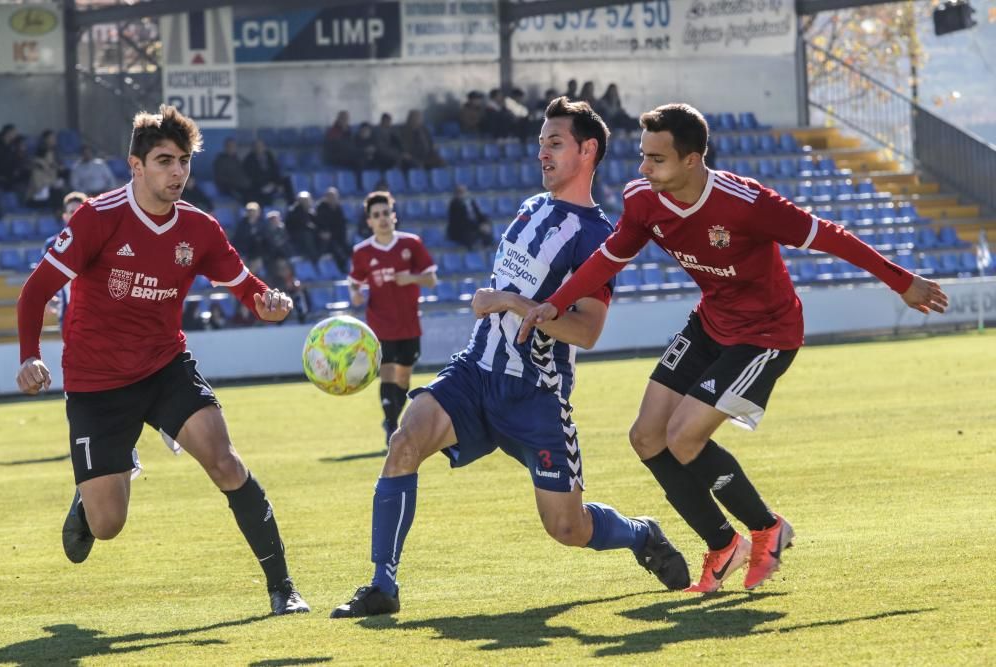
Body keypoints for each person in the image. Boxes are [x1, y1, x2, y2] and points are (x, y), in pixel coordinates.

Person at [518, 102, 949, 593]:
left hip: (766, 333)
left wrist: (901, 281)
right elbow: (610, 257)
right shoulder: (643, 199)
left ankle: (767, 528)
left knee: (682, 437)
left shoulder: (747, 203)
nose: (643, 168)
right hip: (710, 323)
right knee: (645, 437)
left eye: (656, 159)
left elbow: (830, 237)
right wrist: (555, 304)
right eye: (642, 155)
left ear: (691, 159)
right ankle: (724, 546)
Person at [330, 98, 690, 619]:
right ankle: (382, 585)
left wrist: (512, 303)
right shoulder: (531, 207)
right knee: (405, 441)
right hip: (475, 373)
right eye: (541, 141)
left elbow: (587, 330)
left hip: (536, 396)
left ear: (588, 151)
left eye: (555, 142)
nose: (542, 152)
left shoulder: (597, 237)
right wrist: (499, 301)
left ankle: (641, 534)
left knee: (569, 528)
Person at [14, 104, 310, 616]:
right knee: (108, 526)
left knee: (225, 462)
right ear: (136, 165)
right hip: (97, 383)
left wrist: (268, 302)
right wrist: (29, 357)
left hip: (164, 367)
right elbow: (34, 293)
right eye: (165, 161)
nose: (178, 173)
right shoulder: (97, 218)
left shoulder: (199, 229)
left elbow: (245, 286)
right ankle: (92, 494)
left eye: (184, 162)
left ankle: (283, 587)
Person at [348, 191, 438, 449]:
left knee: (403, 378)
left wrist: (410, 278)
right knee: (387, 375)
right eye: (376, 215)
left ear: (393, 215)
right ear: (370, 222)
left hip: (409, 323)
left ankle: (392, 421)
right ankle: (390, 426)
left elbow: (431, 279)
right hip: (380, 325)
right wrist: (355, 295)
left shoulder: (411, 244)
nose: (382, 219)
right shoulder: (362, 251)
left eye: (386, 213)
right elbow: (354, 285)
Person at [40, 191, 88, 327]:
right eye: (72, 211)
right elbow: (43, 276)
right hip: (68, 315)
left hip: (99, 314)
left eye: (80, 210)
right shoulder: (52, 244)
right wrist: (46, 298)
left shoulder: (103, 242)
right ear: (65, 216)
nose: (76, 214)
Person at [243, 139, 292, 206]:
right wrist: (265, 186)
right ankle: (267, 209)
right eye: (256, 146)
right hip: (260, 186)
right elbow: (252, 176)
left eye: (261, 146)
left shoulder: (269, 156)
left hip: (272, 183)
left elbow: (275, 170)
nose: (259, 148)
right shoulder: (249, 160)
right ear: (253, 148)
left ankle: (292, 204)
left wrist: (277, 183)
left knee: (287, 180)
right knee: (258, 194)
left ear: (264, 147)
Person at [315, 186, 351, 273]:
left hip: (338, 237)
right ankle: (342, 269)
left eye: (334, 197)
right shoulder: (321, 208)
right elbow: (319, 225)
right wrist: (324, 233)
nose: (333, 199)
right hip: (325, 239)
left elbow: (342, 226)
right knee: (336, 251)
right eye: (330, 197)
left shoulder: (338, 209)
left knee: (350, 249)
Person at [447, 184, 492, 250]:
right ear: (456, 194)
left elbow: (479, 215)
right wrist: (479, 227)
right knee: (470, 236)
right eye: (461, 192)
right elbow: (461, 222)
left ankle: (488, 250)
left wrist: (486, 223)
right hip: (461, 230)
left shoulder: (471, 202)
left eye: (464, 191)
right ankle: (472, 252)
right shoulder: (455, 204)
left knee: (487, 231)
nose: (463, 194)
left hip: (473, 228)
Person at [212, 137, 251, 203]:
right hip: (227, 187)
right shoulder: (220, 160)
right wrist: (235, 182)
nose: (232, 148)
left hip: (240, 186)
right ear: (225, 147)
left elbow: (242, 174)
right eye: (229, 146)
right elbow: (220, 178)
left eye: (233, 146)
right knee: (243, 197)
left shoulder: (236, 159)